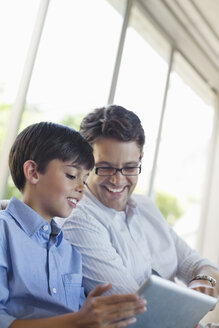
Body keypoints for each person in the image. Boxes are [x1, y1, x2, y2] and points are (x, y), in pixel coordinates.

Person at [60, 105, 219, 299]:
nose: (118, 180)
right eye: (105, 168)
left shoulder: (145, 206)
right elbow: (134, 308)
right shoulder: (78, 220)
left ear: (140, 159)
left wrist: (203, 280)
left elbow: (196, 263)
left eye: (130, 167)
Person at [0, 122, 146, 328]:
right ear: (33, 172)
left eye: (85, 179)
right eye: (71, 175)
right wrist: (76, 321)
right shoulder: (4, 232)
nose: (81, 188)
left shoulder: (69, 252)